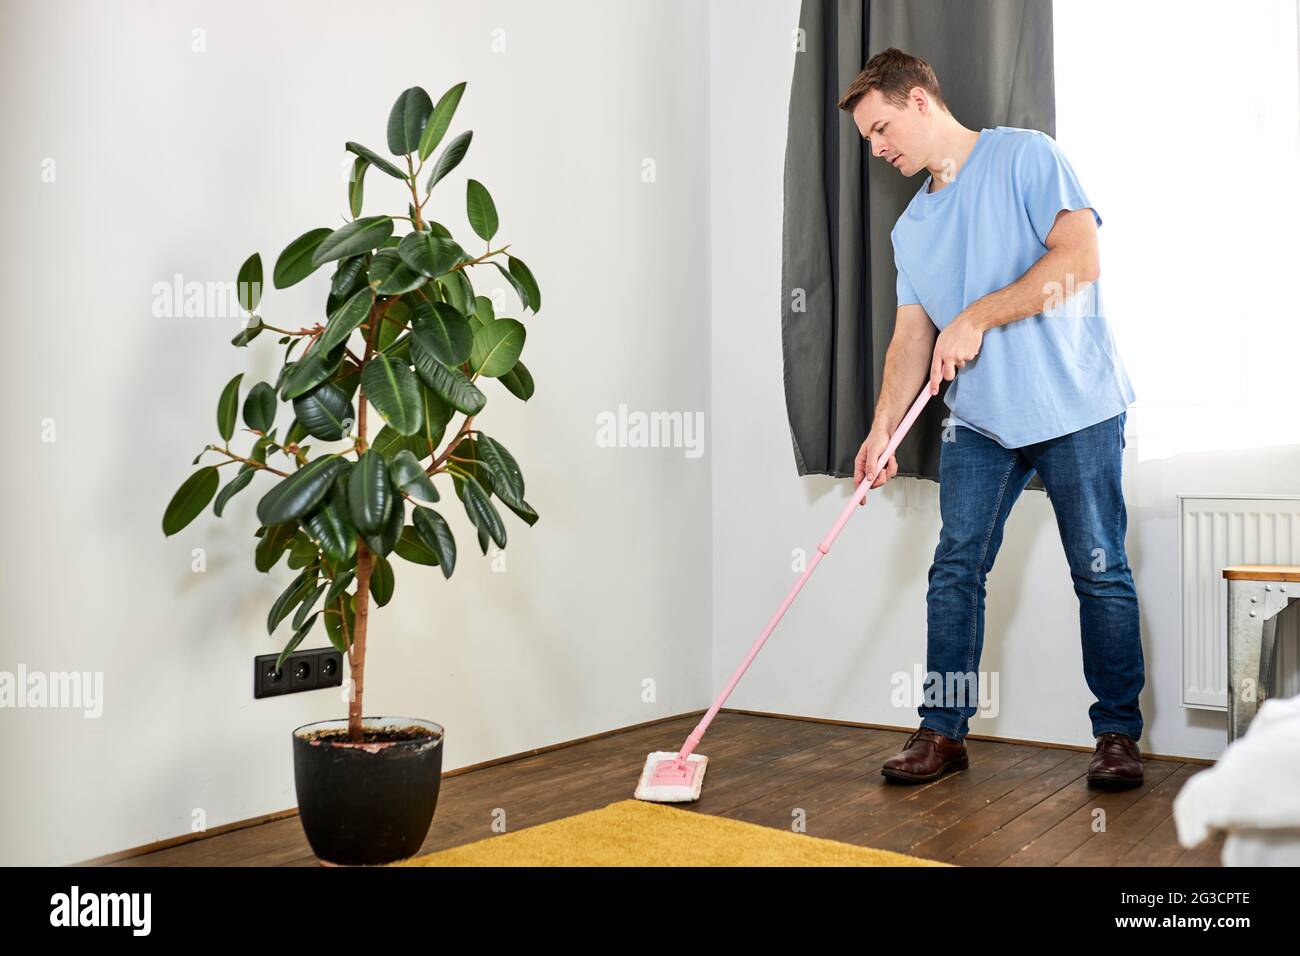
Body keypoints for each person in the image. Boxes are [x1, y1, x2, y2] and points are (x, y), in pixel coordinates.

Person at [837, 48, 1144, 789]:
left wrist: (977, 315)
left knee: (1098, 570)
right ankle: (942, 734)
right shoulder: (911, 229)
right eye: (866, 140)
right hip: (981, 422)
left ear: (918, 101)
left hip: (1073, 403)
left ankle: (1117, 736)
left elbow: (1081, 258)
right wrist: (881, 431)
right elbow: (911, 338)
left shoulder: (1026, 157)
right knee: (955, 570)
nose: (877, 148)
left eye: (880, 128)